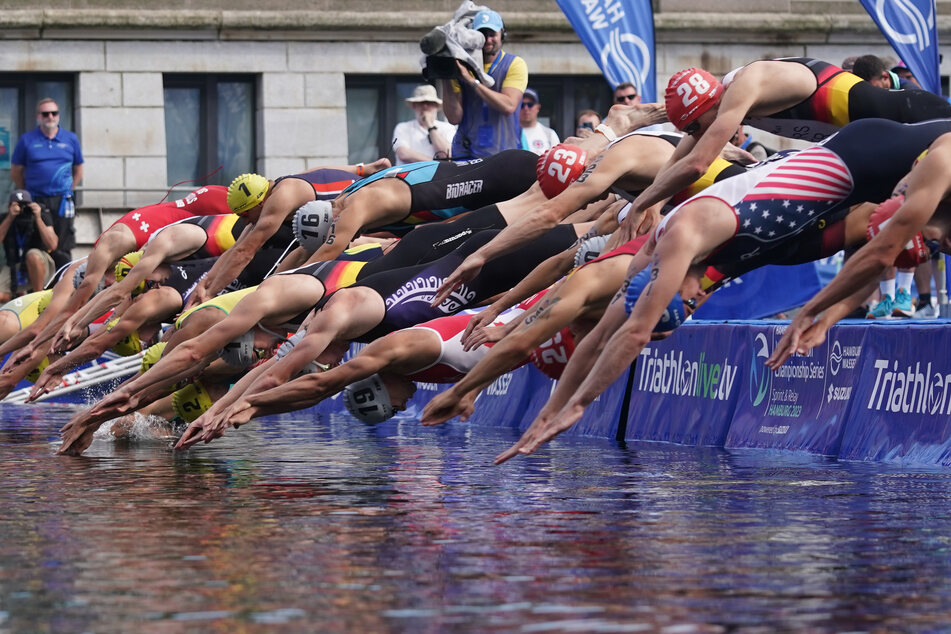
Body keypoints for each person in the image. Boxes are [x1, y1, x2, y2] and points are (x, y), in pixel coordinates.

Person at [500, 118, 951, 459]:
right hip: (813, 209)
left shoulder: (682, 238)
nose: (697, 301)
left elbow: (633, 333)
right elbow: (602, 336)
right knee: (905, 240)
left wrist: (579, 407)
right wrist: (550, 411)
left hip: (859, 156)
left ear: (676, 286)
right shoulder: (675, 266)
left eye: (688, 301)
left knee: (903, 230)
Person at [625, 57, 951, 239]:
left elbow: (697, 163)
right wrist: (652, 202)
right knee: (939, 227)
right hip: (885, 144)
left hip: (915, 118)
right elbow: (678, 159)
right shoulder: (717, 106)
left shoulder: (747, 85)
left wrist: (642, 203)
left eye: (695, 126)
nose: (697, 134)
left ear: (708, 105)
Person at [767, 131, 951, 369]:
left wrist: (809, 311)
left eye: (934, 241)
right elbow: (876, 266)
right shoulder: (906, 200)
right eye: (933, 246)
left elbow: (881, 254)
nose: (946, 247)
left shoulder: (940, 167)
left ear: (922, 214)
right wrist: (824, 322)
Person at [441, 8, 528, 159]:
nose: (488, 40)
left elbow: (508, 106)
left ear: (502, 33)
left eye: (492, 34)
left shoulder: (515, 64)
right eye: (482, 34)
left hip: (503, 155)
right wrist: (446, 76)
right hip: (466, 154)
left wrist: (470, 80)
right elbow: (454, 118)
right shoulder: (461, 66)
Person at [10, 98, 83, 269]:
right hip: (37, 199)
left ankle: (65, 287)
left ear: (58, 115)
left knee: (64, 245)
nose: (50, 116)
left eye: (54, 113)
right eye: (45, 113)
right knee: (37, 244)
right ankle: (38, 290)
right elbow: (15, 172)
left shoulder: (70, 138)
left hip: (63, 201)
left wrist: (68, 190)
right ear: (38, 117)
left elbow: (78, 169)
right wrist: (28, 193)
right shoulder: (26, 140)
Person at [0, 189, 57, 296]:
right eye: (18, 205)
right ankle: (18, 295)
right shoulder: (4, 218)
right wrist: (10, 218)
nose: (22, 208)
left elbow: (52, 244)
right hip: (14, 266)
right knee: (1, 295)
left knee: (32, 255)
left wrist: (38, 218)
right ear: (9, 206)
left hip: (40, 263)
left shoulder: (42, 215)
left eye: (25, 205)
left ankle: (37, 297)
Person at [391, 84, 455, 165]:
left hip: (439, 177)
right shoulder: (403, 127)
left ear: (436, 106)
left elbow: (447, 155)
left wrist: (430, 126)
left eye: (429, 103)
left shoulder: (447, 128)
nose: (425, 106)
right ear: (414, 105)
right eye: (421, 103)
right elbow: (403, 154)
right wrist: (437, 164)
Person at [519, 88, 559, 155]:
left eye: (530, 105)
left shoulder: (549, 134)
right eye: (522, 105)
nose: (526, 108)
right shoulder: (509, 134)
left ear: (538, 108)